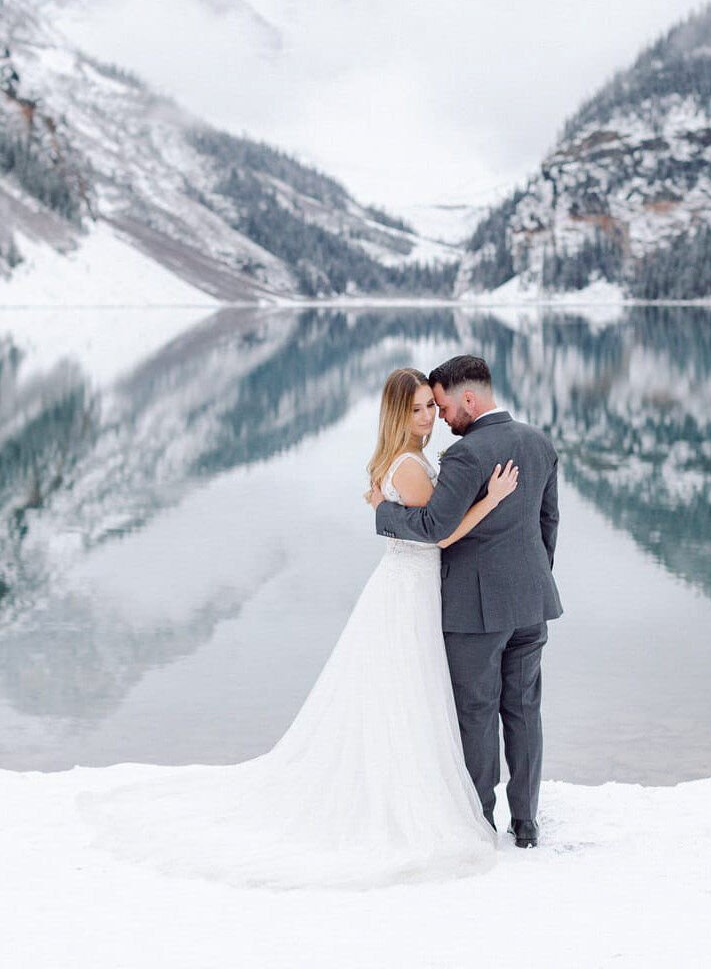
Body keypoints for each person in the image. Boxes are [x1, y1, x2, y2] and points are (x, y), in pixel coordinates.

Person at [79, 367, 518, 889]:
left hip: (408, 585)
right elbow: (438, 536)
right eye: (417, 409)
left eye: (430, 406)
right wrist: (489, 502)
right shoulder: (412, 468)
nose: (427, 418)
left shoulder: (405, 462)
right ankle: (401, 791)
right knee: (407, 689)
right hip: (411, 586)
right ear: (398, 415)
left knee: (399, 690)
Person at [371, 355, 562, 847]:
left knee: (476, 713)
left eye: (442, 405)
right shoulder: (540, 443)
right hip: (530, 602)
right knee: (523, 709)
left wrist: (384, 511)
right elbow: (548, 525)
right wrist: (533, 581)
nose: (441, 417)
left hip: (475, 610)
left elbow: (435, 529)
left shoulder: (466, 456)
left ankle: (479, 821)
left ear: (468, 400)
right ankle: (526, 823)